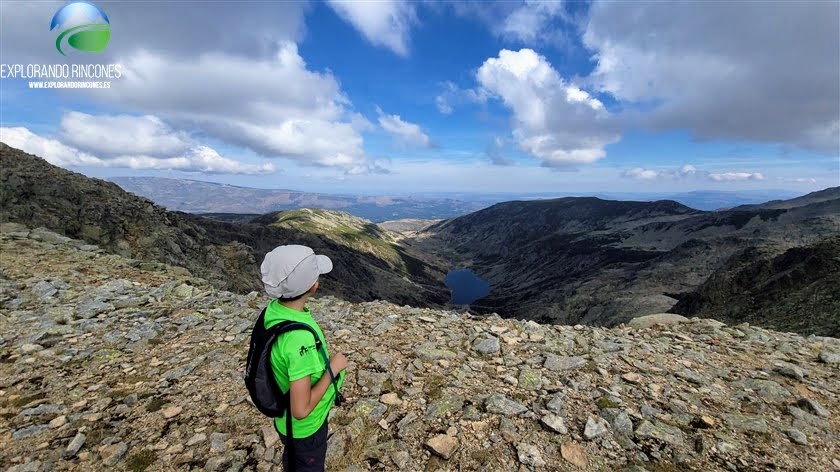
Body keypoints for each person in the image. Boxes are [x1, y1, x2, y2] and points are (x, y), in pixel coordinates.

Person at [260, 245, 348, 472]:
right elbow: (301, 410)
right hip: (305, 428)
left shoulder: (275, 311)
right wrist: (333, 370)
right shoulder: (299, 339)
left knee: (295, 460)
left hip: (285, 423)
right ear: (313, 285)